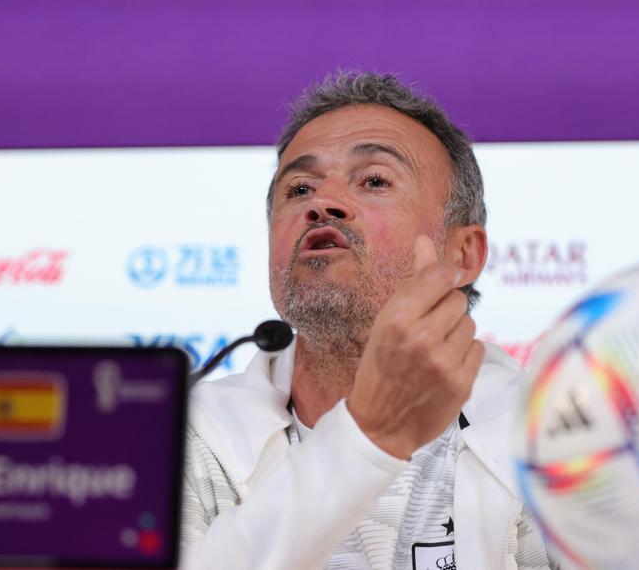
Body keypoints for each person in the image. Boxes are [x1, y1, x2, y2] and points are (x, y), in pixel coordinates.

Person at [180, 72, 556, 569]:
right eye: (299, 188)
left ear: (463, 253)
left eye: (374, 180)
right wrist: (370, 434)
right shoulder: (188, 436)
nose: (321, 204)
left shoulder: (552, 435)